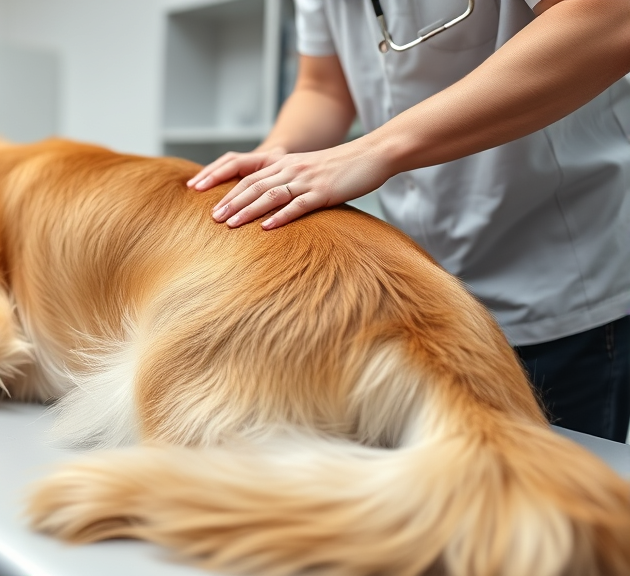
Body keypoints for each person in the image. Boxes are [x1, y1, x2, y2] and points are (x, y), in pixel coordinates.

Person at [188, 0, 630, 442]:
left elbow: (608, 19)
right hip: (425, 296)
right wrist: (277, 156)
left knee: (542, 495)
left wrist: (373, 150)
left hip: (562, 283)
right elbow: (323, 88)